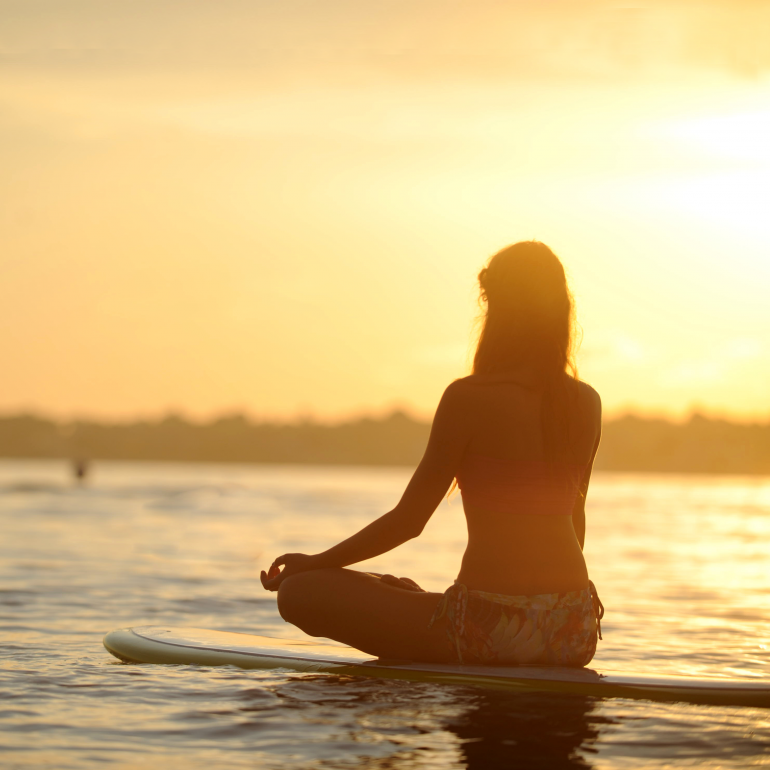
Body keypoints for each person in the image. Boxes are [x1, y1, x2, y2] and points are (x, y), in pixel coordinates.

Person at [261, 241, 604, 667]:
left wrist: (314, 562)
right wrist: (547, 609)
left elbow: (409, 522)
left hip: (484, 629)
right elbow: (576, 522)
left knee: (301, 592)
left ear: (496, 310)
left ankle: (423, 611)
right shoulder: (586, 403)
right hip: (573, 629)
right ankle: (419, 604)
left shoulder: (468, 398)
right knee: (399, 592)